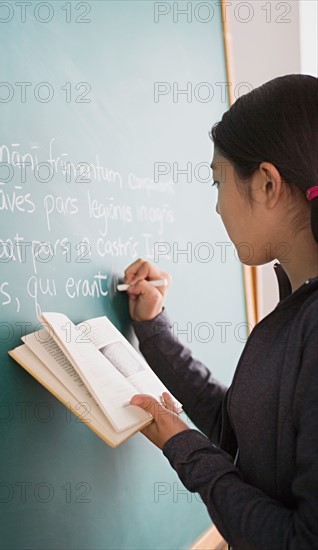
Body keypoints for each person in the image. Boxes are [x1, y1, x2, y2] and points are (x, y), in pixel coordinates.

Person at [124, 74, 318, 549]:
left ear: (268, 184)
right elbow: (241, 427)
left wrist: (185, 450)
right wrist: (153, 328)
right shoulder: (296, 311)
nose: (216, 206)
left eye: (218, 181)